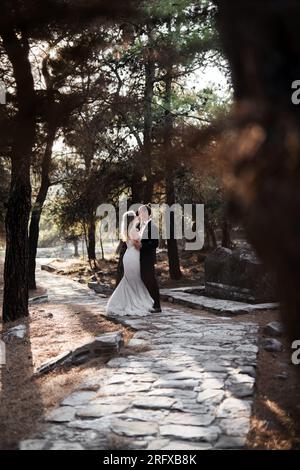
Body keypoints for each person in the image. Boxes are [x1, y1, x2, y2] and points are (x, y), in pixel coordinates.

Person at [106, 210, 154, 316]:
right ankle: (135, 303)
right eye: (136, 217)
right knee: (135, 280)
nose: (138, 217)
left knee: (129, 280)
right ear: (132, 219)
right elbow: (138, 245)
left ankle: (125, 301)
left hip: (129, 256)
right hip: (133, 257)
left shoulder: (128, 230)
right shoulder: (133, 230)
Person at [138, 204, 161, 313]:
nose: (141, 214)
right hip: (142, 258)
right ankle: (150, 303)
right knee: (145, 280)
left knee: (151, 280)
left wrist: (142, 246)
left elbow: (155, 243)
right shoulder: (142, 226)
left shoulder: (153, 226)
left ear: (148, 213)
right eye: (140, 212)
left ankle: (157, 305)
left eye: (143, 212)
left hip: (148, 258)